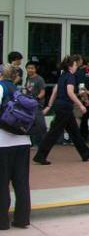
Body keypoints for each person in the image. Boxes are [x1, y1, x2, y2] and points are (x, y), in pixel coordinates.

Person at [34, 55, 89, 164]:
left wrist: (49, 106)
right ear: (70, 67)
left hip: (61, 106)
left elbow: (55, 91)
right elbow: (70, 92)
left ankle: (85, 153)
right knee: (54, 133)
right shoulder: (70, 77)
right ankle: (40, 155)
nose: (76, 67)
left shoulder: (62, 76)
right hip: (65, 107)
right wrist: (80, 104)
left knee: (74, 131)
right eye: (75, 65)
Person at [0, 66, 31, 230]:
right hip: (23, 141)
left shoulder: (0, 88)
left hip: (3, 142)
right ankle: (22, 219)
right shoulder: (22, 92)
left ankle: (2, 221)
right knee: (21, 182)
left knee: (2, 182)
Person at [24, 61, 46, 146]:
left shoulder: (39, 79)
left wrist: (36, 99)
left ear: (35, 69)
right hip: (28, 104)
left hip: (36, 104)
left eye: (32, 68)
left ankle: (43, 143)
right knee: (30, 124)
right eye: (28, 68)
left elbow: (43, 91)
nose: (30, 70)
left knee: (41, 124)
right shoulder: (28, 78)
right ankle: (32, 143)